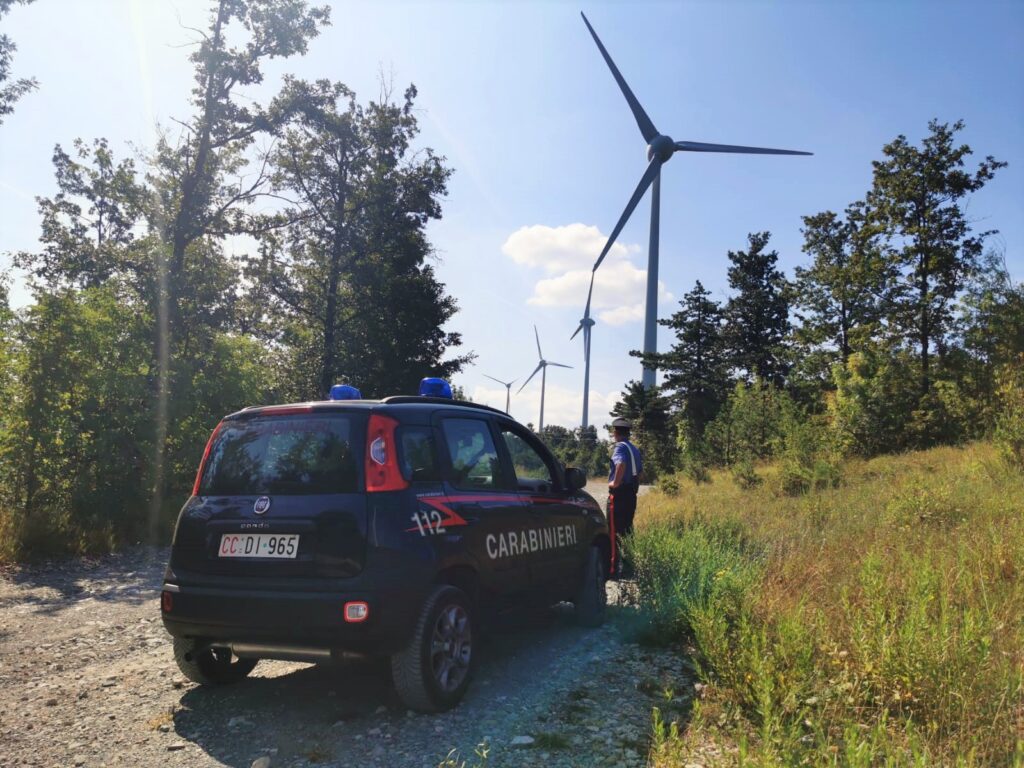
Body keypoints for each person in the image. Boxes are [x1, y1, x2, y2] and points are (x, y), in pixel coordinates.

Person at [607, 416, 642, 579]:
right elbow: (639, 472)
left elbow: (620, 464)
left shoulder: (619, 448)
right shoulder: (634, 449)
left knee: (614, 531)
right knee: (627, 530)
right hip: (631, 494)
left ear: (616, 432)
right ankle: (628, 568)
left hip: (619, 495)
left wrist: (615, 482)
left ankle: (613, 569)